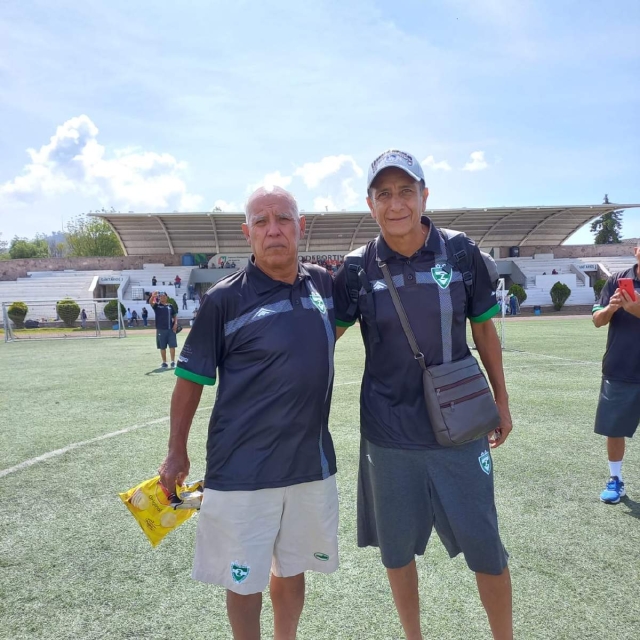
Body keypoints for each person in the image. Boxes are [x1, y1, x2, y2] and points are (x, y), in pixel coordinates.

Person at [333, 150, 513, 640]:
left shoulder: (459, 253)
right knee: (398, 552)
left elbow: (485, 331)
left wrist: (502, 399)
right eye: (384, 194)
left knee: (486, 548)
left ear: (424, 195)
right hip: (388, 436)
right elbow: (324, 335)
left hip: (461, 428)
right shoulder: (355, 269)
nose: (396, 204)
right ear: (370, 204)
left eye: (405, 191)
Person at [159, 186, 338, 640]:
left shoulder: (324, 284)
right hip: (242, 469)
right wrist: (176, 452)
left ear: (302, 227)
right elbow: (191, 380)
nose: (273, 229)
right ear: (247, 233)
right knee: (243, 580)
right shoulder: (224, 299)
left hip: (308, 464)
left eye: (283, 219)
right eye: (261, 222)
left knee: (292, 568)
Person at [592, 243, 640, 504]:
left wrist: (636, 310)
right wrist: (611, 308)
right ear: (636, 250)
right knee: (615, 428)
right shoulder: (616, 280)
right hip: (620, 366)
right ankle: (615, 479)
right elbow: (597, 320)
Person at [150, 291, 178, 368]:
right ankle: (164, 362)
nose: (162, 297)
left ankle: (173, 362)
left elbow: (175, 315)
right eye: (161, 296)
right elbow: (151, 302)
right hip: (160, 330)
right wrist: (153, 296)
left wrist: (175, 323)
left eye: (164, 296)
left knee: (172, 346)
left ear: (166, 297)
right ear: (159, 298)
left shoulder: (170, 306)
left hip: (170, 329)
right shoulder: (157, 306)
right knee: (162, 347)